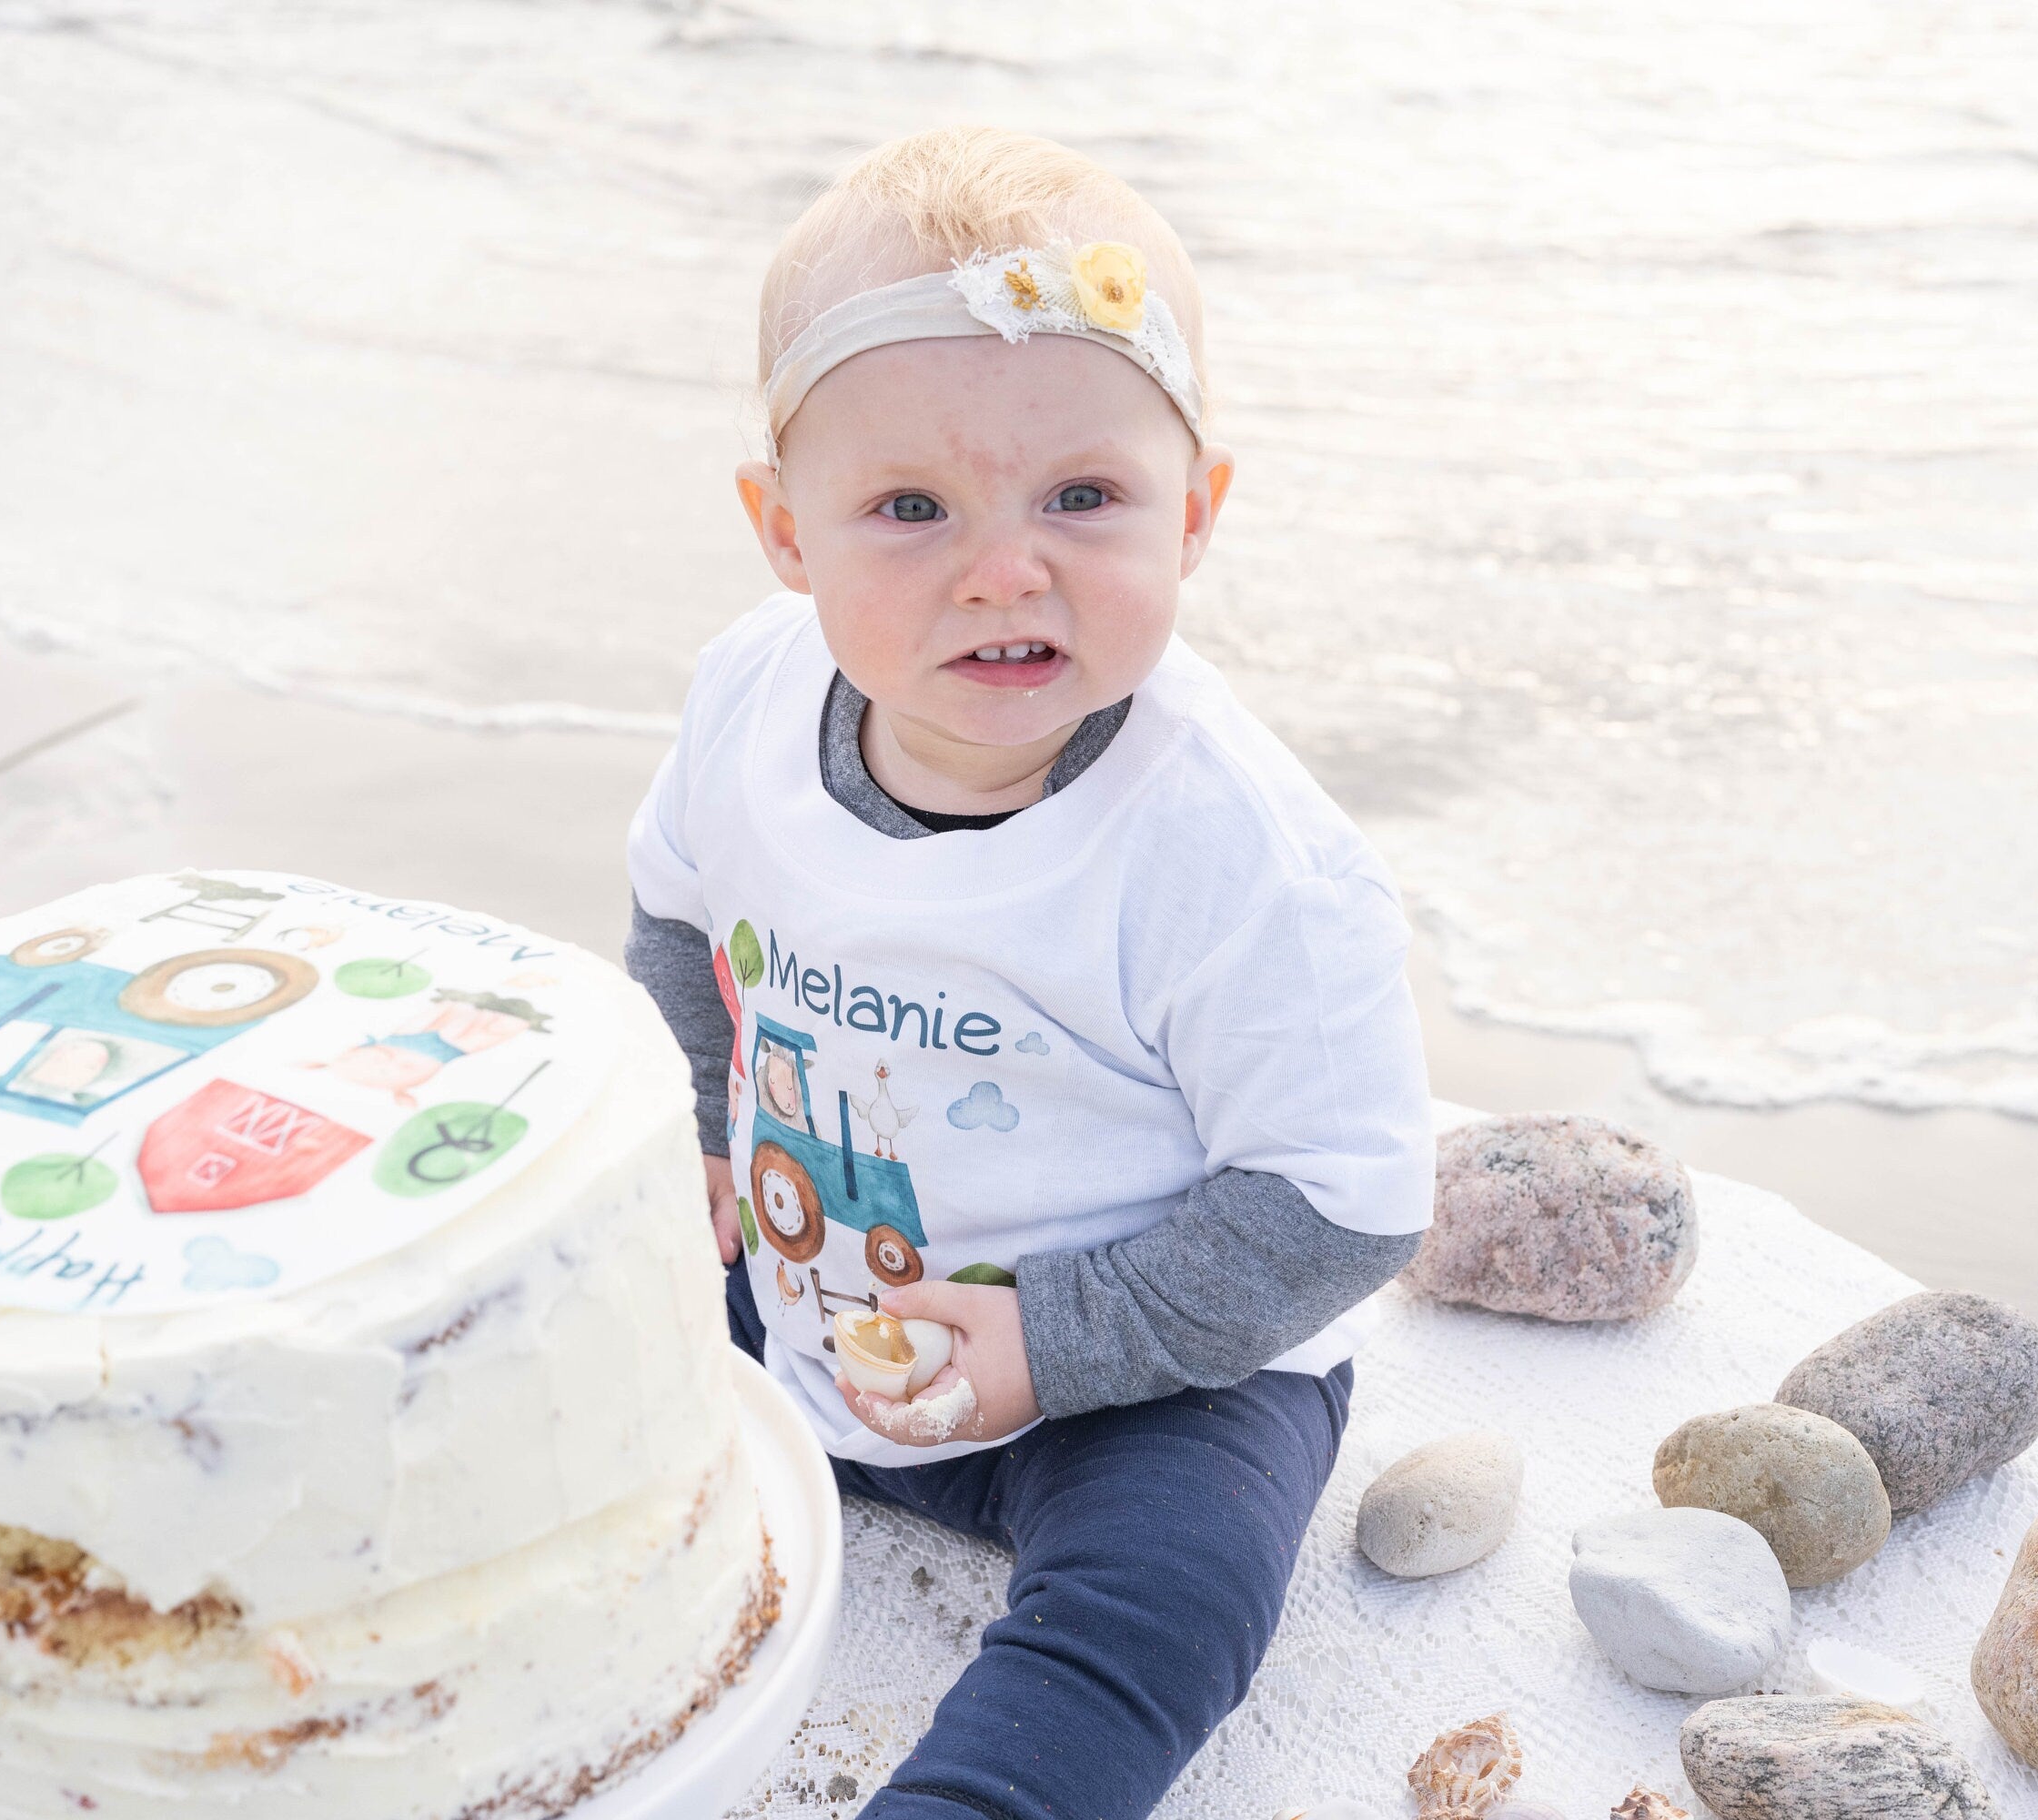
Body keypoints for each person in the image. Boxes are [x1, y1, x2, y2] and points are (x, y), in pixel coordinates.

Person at [624, 126, 1433, 1818]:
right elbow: (677, 918)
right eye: (910, 509)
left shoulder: (1229, 853)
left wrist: (1044, 1344)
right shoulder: (749, 702)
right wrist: (703, 1133)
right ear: (785, 530)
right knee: (550, 1306)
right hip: (804, 1277)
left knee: (1177, 1585)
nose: (1009, 569)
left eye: (1085, 497)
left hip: (1135, 1373)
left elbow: (1341, 1205)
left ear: (1196, 511)